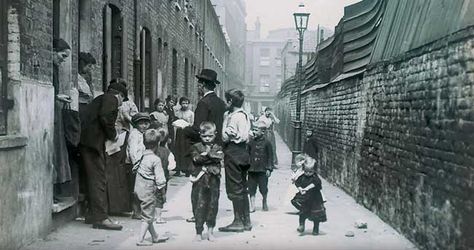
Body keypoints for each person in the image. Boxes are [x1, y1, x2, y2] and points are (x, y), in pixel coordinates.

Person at [79, 79, 128, 230]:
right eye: (122, 100)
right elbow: (106, 118)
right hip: (93, 144)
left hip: (87, 142)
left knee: (90, 179)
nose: (121, 104)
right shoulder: (111, 98)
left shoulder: (100, 98)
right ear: (119, 95)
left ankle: (92, 214)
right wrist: (113, 135)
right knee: (99, 179)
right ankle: (101, 218)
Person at [183, 69, 226, 223]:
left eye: (199, 84)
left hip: (202, 150)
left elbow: (197, 129)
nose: (198, 87)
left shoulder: (203, 103)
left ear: (202, 85)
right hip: (216, 149)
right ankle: (210, 214)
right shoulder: (221, 103)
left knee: (198, 182)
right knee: (213, 183)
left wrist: (184, 128)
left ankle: (197, 214)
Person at [218, 89, 252, 233]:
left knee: (234, 187)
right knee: (242, 186)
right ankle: (246, 220)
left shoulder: (234, 117)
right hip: (243, 153)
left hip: (234, 152)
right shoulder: (243, 115)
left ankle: (238, 221)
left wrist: (226, 124)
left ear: (231, 101)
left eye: (227, 100)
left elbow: (226, 137)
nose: (226, 103)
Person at [189, 122, 224, 241]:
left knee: (213, 205)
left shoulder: (218, 147)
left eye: (210, 136)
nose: (207, 138)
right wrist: (209, 157)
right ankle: (198, 231)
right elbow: (196, 159)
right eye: (204, 136)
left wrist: (207, 154)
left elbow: (219, 157)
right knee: (199, 205)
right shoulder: (196, 147)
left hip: (213, 181)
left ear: (215, 134)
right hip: (200, 180)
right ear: (200, 135)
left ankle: (210, 231)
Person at [134, 129, 169, 246]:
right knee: (147, 216)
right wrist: (163, 193)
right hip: (149, 190)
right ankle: (140, 240)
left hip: (138, 189)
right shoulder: (155, 159)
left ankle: (155, 236)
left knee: (147, 214)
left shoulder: (141, 156)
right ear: (158, 143)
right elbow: (160, 180)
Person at [52, 38, 72, 187]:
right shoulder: (50, 69)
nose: (63, 60)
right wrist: (57, 96)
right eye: (62, 56)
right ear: (53, 52)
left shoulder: (55, 69)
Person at [291, 154, 327, 235]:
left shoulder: (315, 177)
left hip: (315, 199)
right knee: (302, 213)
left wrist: (306, 188)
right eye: (306, 171)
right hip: (305, 198)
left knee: (316, 215)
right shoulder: (302, 176)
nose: (307, 173)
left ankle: (315, 228)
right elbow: (297, 183)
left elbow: (316, 184)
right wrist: (300, 189)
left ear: (314, 170)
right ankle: (301, 225)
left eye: (310, 171)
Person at [127, 113, 151, 219]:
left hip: (140, 164)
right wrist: (136, 165)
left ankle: (139, 210)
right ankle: (136, 211)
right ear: (136, 124)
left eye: (146, 123)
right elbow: (132, 151)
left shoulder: (142, 134)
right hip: (134, 165)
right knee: (135, 189)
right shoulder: (134, 134)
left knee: (140, 188)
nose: (144, 126)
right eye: (141, 124)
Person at [247, 120, 274, 213]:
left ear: (262, 132)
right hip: (252, 169)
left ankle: (264, 200)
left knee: (263, 187)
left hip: (262, 169)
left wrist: (269, 168)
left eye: (256, 130)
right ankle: (252, 205)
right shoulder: (250, 142)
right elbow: (247, 153)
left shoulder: (267, 143)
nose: (254, 132)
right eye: (253, 130)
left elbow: (270, 156)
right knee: (251, 187)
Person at [153, 127, 176, 224]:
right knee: (160, 196)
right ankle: (158, 217)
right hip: (163, 178)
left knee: (151, 195)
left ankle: (150, 215)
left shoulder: (152, 151)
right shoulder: (168, 152)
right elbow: (172, 166)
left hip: (151, 177)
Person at [173, 96, 194, 177]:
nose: (185, 105)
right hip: (179, 132)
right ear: (180, 104)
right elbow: (174, 120)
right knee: (178, 150)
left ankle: (187, 170)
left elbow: (193, 123)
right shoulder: (177, 112)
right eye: (183, 103)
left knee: (186, 150)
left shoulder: (191, 113)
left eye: (186, 103)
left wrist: (187, 124)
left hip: (187, 132)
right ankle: (178, 169)